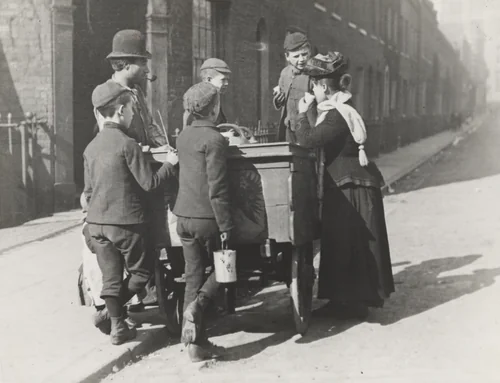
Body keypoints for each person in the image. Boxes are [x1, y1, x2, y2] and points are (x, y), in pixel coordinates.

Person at [295, 52, 395, 319]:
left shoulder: (337, 115)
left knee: (348, 243)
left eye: (314, 86)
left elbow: (308, 139)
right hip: (350, 185)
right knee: (345, 243)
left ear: (324, 87)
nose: (312, 91)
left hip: (350, 188)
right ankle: (344, 301)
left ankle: (350, 303)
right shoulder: (339, 109)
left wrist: (302, 113)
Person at [83, 81, 178, 345]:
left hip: (97, 225)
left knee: (111, 278)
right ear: (121, 110)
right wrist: (169, 164)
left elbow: (88, 192)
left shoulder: (90, 148)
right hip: (126, 224)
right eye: (132, 110)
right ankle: (110, 314)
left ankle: (117, 326)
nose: (134, 114)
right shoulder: (128, 144)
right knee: (140, 274)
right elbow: (150, 184)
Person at [174, 82, 233, 362]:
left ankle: (195, 346)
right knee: (229, 265)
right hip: (207, 218)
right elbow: (217, 188)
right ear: (215, 109)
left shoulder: (183, 137)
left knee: (193, 276)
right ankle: (199, 304)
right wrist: (226, 227)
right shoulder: (216, 141)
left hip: (183, 218)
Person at [273, 31, 316, 143]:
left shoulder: (314, 74)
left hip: (308, 126)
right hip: (289, 126)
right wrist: (278, 100)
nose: (301, 59)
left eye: (304, 54)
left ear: (310, 52)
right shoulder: (285, 73)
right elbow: (282, 95)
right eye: (296, 56)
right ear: (287, 57)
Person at [183, 58, 232, 129]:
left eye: (227, 80)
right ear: (209, 79)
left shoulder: (216, 98)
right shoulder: (196, 98)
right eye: (223, 80)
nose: (227, 83)